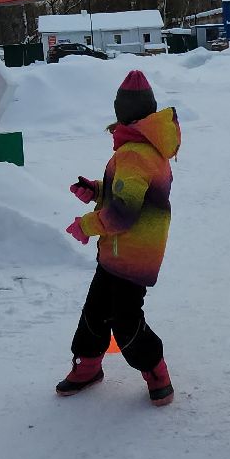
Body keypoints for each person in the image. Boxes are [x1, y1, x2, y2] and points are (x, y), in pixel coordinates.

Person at [56, 70, 181, 406]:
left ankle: (156, 370)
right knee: (96, 310)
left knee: (125, 319)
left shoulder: (135, 153)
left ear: (123, 113)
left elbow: (123, 215)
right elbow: (132, 196)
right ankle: (88, 365)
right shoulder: (145, 146)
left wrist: (86, 225)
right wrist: (97, 190)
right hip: (121, 250)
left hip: (131, 253)